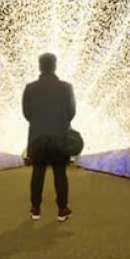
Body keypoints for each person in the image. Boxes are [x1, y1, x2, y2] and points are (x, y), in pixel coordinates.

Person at [22, 52, 75, 221]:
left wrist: (39, 123)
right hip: (59, 136)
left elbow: (26, 112)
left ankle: (35, 209)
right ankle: (62, 209)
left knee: (38, 173)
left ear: (39, 66)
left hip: (37, 136)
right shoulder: (66, 87)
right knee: (60, 173)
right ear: (55, 66)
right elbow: (71, 112)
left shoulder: (30, 88)